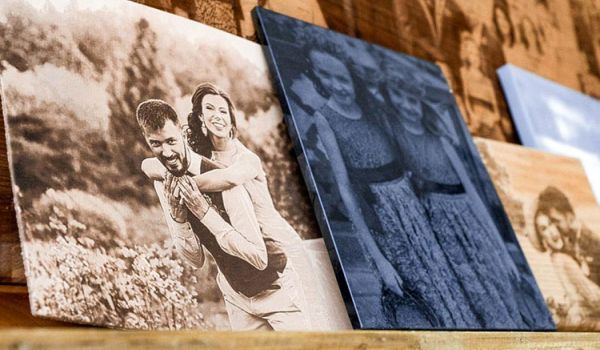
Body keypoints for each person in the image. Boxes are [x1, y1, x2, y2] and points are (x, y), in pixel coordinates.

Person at [304, 44, 478, 329]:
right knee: (417, 294)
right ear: (317, 76)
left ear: (353, 77)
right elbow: (346, 191)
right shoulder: (325, 118)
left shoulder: (375, 109)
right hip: (380, 217)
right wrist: (379, 260)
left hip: (413, 205)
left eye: (344, 78)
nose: (339, 85)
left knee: (448, 282)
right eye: (327, 76)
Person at [136, 99, 308, 330]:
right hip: (236, 296)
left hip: (276, 289)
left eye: (171, 141)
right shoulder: (164, 181)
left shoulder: (222, 178)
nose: (166, 152)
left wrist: (205, 212)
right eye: (155, 143)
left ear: (183, 134)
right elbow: (195, 261)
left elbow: (259, 258)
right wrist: (179, 220)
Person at [384, 64, 533, 329]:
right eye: (400, 98)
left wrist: (502, 249)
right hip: (437, 219)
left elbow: (471, 190)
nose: (407, 105)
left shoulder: (438, 137)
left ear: (420, 101)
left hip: (465, 212)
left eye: (411, 99)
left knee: (494, 279)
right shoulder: (396, 133)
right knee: (469, 286)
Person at [532, 186, 600, 326]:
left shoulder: (586, 242)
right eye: (545, 228)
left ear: (569, 216)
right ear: (541, 236)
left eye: (554, 222)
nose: (554, 230)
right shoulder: (561, 258)